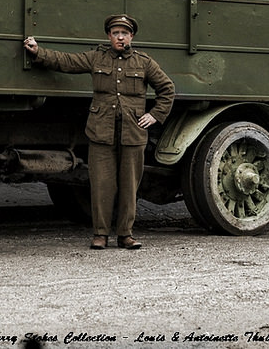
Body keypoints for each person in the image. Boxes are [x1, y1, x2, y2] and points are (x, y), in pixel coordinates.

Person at [23, 15, 174, 250]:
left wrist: (155, 115)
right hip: (101, 132)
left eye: (124, 33)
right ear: (109, 36)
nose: (120, 37)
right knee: (102, 185)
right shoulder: (96, 57)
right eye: (115, 33)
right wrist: (38, 52)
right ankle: (100, 234)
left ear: (131, 36)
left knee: (129, 186)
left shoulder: (144, 62)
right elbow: (66, 62)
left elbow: (167, 88)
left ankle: (126, 234)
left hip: (132, 135)